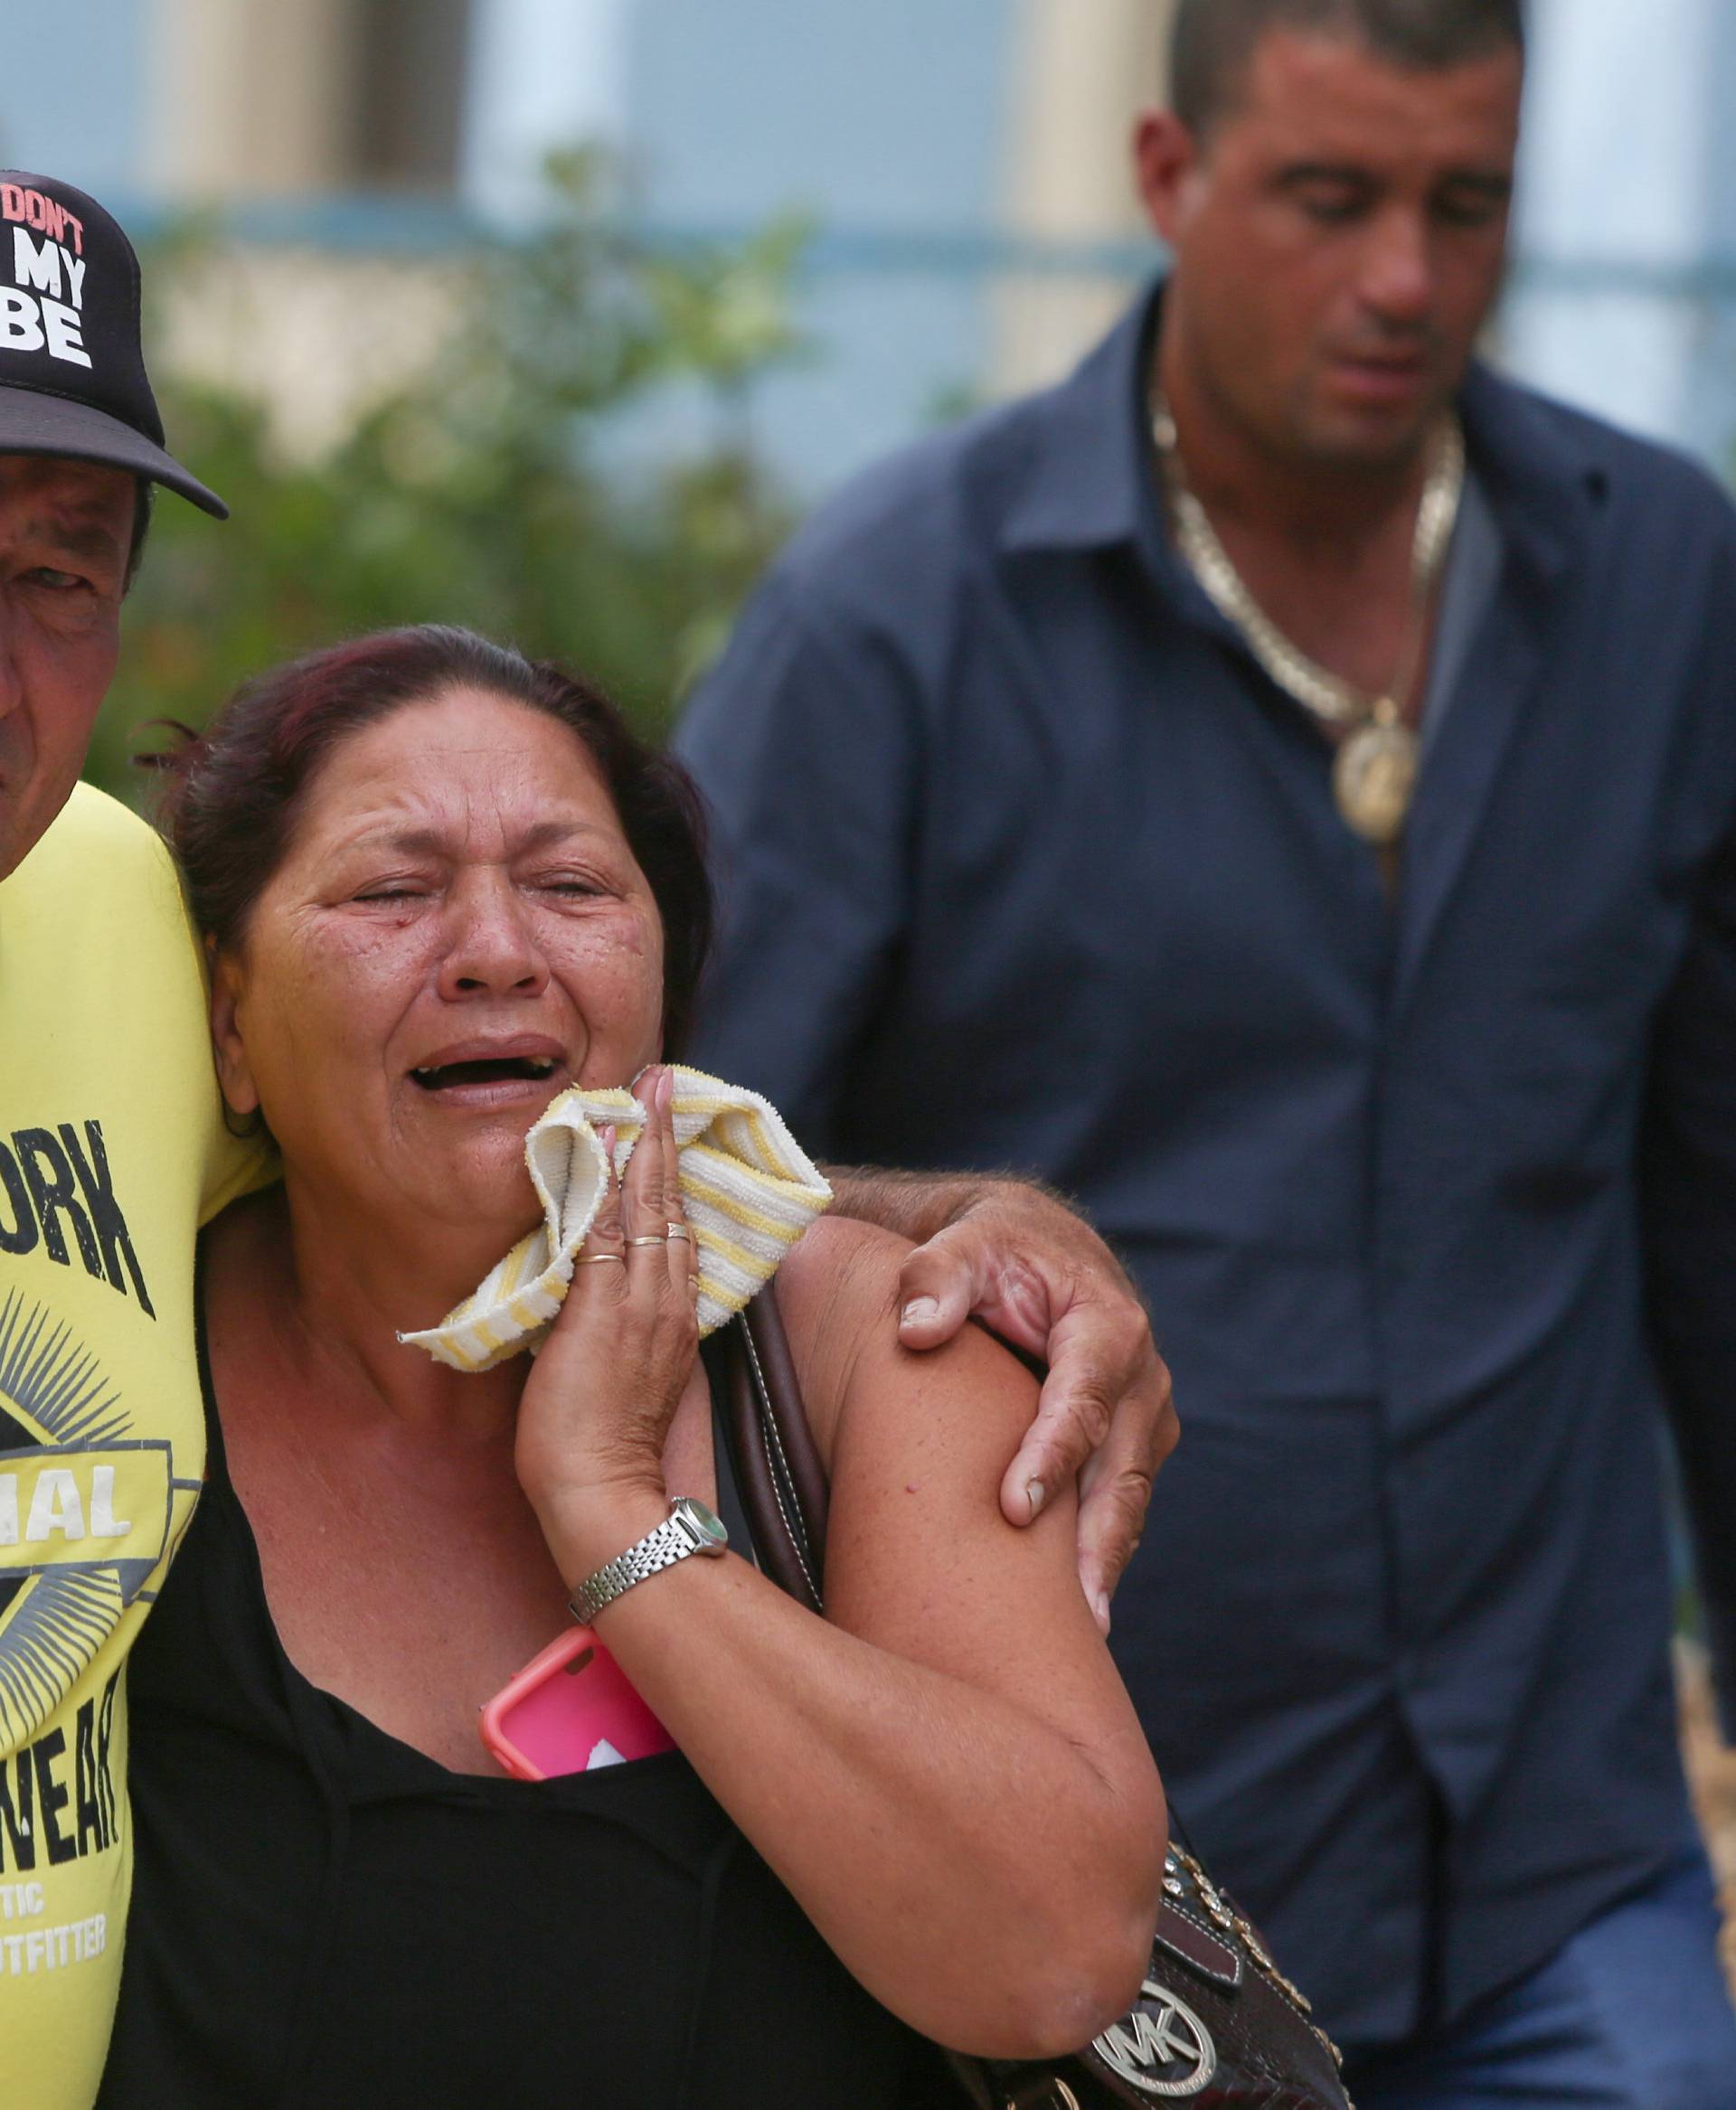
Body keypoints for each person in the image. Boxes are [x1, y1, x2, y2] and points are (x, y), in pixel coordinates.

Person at [0, 170, 1170, 2109]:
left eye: (57, 570)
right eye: (391, 892)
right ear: (244, 1013)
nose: (490, 954)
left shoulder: (104, 911)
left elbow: (1056, 1941)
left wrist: (946, 1232)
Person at [674, 2, 1736, 2101]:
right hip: (1102, 1890)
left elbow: (1716, 1202)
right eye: (1330, 199)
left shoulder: (1666, 580)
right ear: (1167, 179)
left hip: (1559, 1860)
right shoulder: (899, 621)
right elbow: (679, 1175)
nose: (1406, 280)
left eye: (1468, 204)